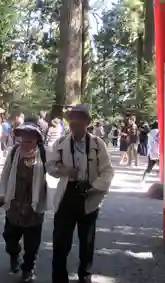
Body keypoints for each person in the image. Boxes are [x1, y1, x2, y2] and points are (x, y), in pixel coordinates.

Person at [47, 104, 114, 283]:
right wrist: (65, 171)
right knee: (61, 240)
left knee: (87, 241)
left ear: (87, 122)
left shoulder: (98, 145)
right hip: (66, 195)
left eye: (79, 118)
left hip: (89, 195)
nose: (75, 122)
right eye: (72, 119)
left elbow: (107, 171)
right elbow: (50, 167)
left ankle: (85, 274)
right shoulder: (60, 143)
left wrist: (95, 187)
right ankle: (59, 278)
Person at [0, 121, 48, 283]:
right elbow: (5, 175)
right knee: (9, 236)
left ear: (37, 140)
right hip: (15, 203)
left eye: (29, 140)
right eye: (23, 140)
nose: (25, 143)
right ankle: (14, 253)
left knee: (32, 242)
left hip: (34, 204)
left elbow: (54, 173)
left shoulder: (44, 154)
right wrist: (1, 194)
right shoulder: (14, 152)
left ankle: (28, 269)